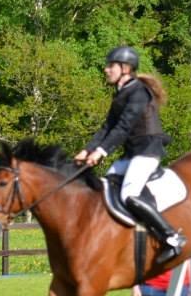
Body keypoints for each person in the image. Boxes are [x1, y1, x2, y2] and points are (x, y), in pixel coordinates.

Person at [74, 46, 185, 263]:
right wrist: (87, 150)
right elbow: (107, 127)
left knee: (129, 195)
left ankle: (171, 237)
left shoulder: (138, 92)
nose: (106, 70)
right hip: (132, 154)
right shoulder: (121, 93)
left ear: (125, 68)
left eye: (110, 66)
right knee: (105, 187)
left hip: (147, 152)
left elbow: (123, 127)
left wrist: (101, 152)